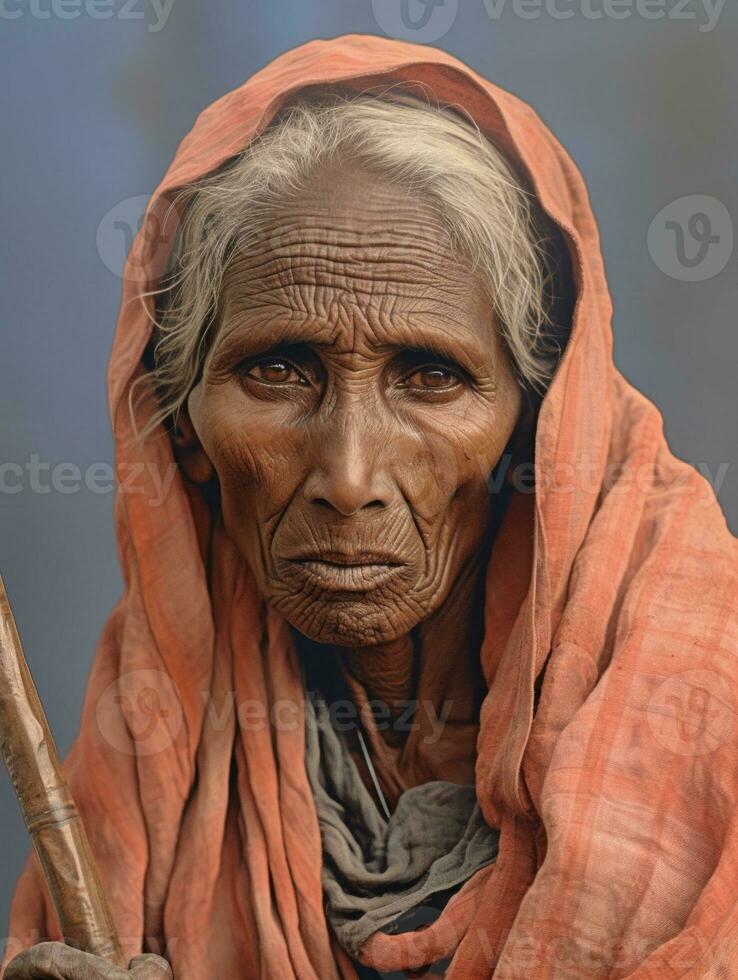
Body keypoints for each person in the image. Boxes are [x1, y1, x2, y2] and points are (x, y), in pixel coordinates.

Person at [4, 32, 737, 980]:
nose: (348, 477)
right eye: (276, 371)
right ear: (181, 428)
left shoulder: (706, 707)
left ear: (540, 428)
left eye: (430, 377)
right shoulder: (163, 724)